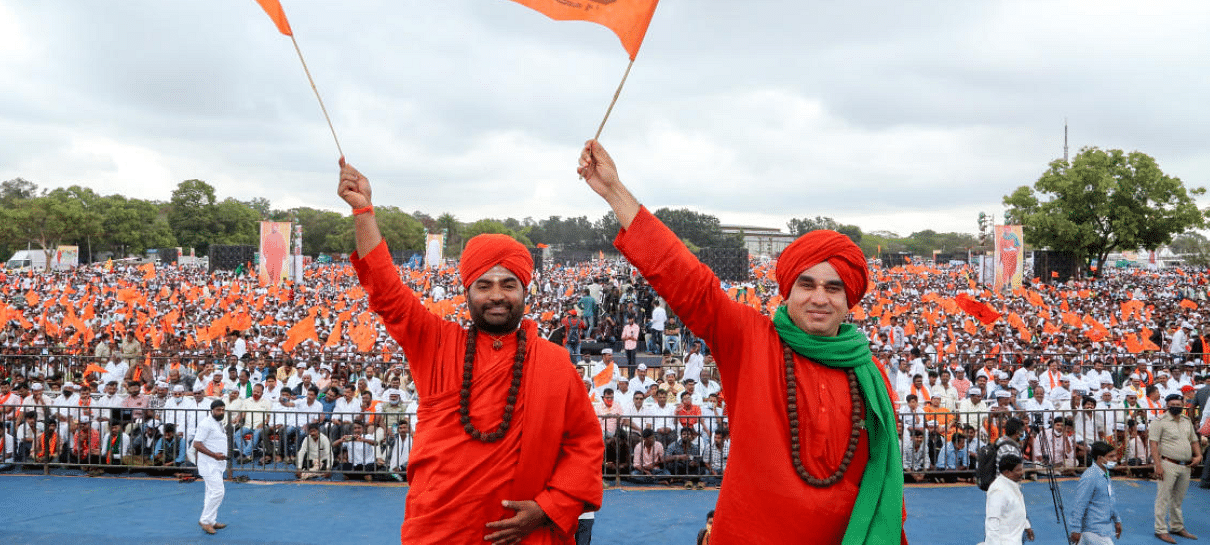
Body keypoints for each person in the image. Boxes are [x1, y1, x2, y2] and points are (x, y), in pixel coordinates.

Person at [578, 140, 904, 545]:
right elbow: (688, 282)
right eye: (807, 284)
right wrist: (614, 190)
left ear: (849, 297)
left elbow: (885, 484)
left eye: (834, 288)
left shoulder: (872, 378)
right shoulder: (751, 341)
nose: (820, 298)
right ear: (788, 289)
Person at [338, 158, 603, 543]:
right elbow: (386, 292)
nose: (497, 295)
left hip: (524, 535)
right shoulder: (436, 343)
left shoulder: (554, 361)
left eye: (508, 284)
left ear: (525, 291)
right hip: (439, 530)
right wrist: (363, 211)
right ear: (467, 294)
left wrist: (548, 508)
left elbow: (584, 443)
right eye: (484, 285)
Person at [1150, 393, 1202, 543]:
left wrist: (1198, 456)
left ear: (1183, 405)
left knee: (1178, 499)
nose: (1176, 407)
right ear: (1166, 405)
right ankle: (1160, 530)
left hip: (1185, 466)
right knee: (1163, 498)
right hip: (1167, 464)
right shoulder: (1159, 421)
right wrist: (1158, 465)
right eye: (1173, 404)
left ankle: (1177, 526)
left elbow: (1194, 440)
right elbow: (1153, 444)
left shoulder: (1187, 421)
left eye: (1179, 405)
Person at [1069, 441, 1122, 545]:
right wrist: (1075, 528)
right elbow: (1080, 503)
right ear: (1100, 458)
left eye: (1115, 456)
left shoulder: (1105, 474)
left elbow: (1110, 499)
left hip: (1100, 528)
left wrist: (1117, 520)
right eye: (1111, 456)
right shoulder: (1090, 477)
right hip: (1093, 530)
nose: (1115, 459)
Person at [192, 399, 229, 535]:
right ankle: (205, 520)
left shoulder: (219, 423)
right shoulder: (206, 424)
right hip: (208, 463)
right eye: (218, 410)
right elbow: (197, 444)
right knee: (219, 492)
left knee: (211, 493)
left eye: (223, 410)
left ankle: (211, 520)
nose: (221, 412)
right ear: (211, 410)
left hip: (217, 463)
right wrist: (214, 455)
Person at [984, 454, 1033, 545]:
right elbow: (993, 521)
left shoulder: (1012, 484)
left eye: (1022, 469)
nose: (1022, 472)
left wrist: (1026, 526)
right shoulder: (998, 491)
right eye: (1018, 470)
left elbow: (1016, 508)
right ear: (1007, 472)